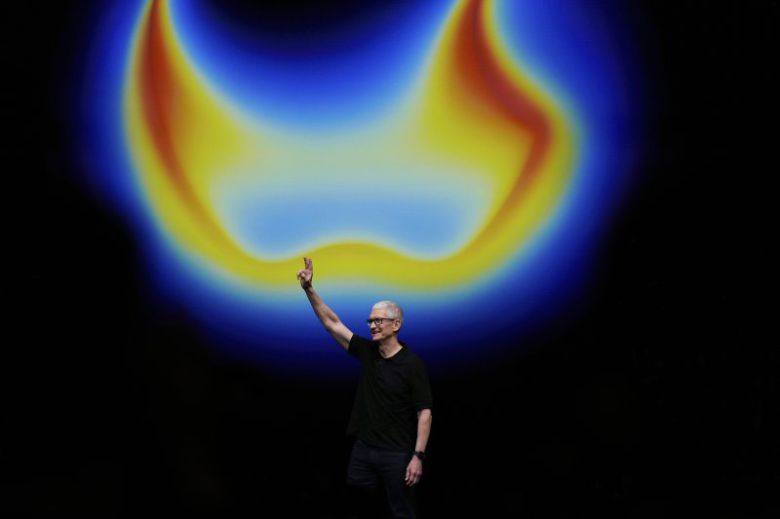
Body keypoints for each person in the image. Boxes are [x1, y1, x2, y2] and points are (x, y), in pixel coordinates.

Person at [297, 257, 433, 518]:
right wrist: (309, 289)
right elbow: (332, 323)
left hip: (397, 454)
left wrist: (418, 456)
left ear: (396, 325)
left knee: (402, 510)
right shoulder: (368, 352)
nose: (372, 325)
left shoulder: (412, 364)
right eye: (370, 321)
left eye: (378, 321)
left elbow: (424, 413)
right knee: (356, 506)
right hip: (364, 449)